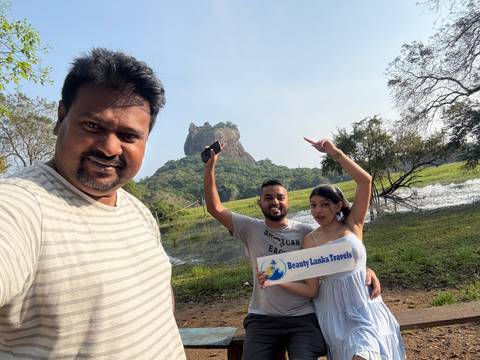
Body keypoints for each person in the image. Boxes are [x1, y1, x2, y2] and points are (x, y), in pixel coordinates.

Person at [0, 48, 186, 359]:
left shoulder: (136, 211)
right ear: (61, 118)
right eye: (93, 126)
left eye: (128, 136)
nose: (109, 147)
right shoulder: (21, 206)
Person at [203, 144, 382, 360]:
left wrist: (365, 268)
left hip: (303, 317)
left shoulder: (308, 233)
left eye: (280, 197)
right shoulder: (249, 228)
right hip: (262, 318)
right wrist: (210, 168)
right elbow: (215, 208)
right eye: (268, 198)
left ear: (289, 201)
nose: (275, 202)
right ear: (259, 202)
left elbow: (338, 249)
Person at [261, 137, 405, 360]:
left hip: (363, 305)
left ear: (338, 205)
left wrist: (334, 152)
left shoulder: (353, 224)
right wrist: (277, 278)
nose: (318, 211)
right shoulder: (310, 240)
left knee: (365, 354)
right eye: (313, 205)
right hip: (333, 312)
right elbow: (311, 290)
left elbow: (365, 181)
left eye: (324, 205)